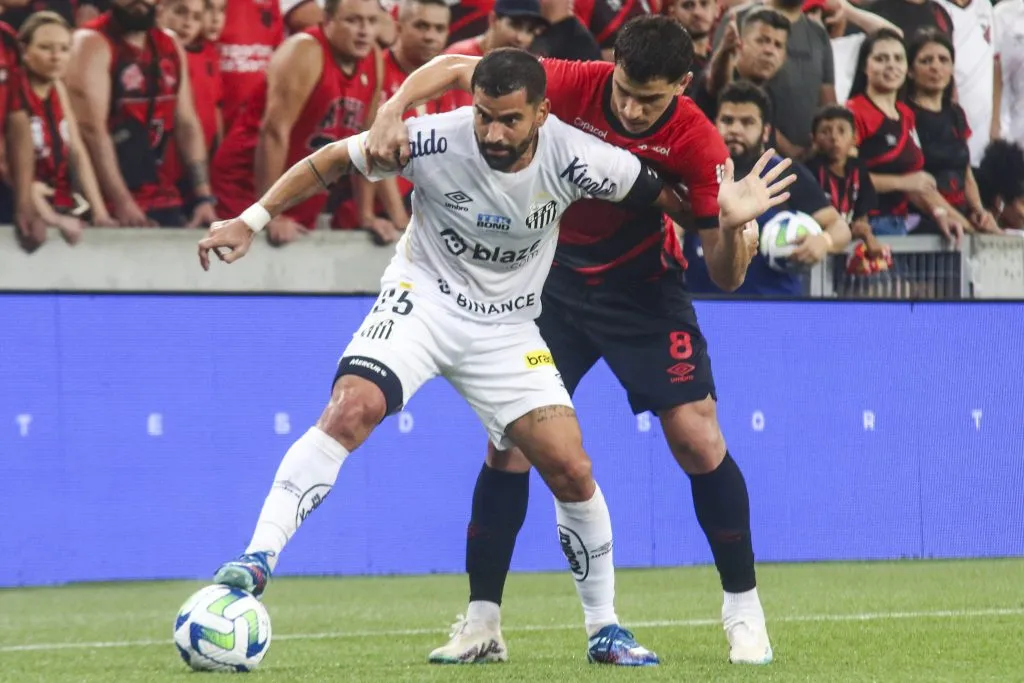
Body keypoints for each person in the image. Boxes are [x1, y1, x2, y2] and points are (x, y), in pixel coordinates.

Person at [197, 47, 793, 668]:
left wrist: (725, 218)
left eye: (508, 120)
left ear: (541, 114)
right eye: (483, 116)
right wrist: (251, 218)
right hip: (421, 301)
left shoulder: (583, 157)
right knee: (353, 408)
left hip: (509, 328)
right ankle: (257, 558)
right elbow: (329, 162)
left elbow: (670, 202)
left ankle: (605, 629)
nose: (492, 132)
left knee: (571, 468)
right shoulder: (430, 140)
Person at [362, 15, 789, 666]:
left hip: (643, 290)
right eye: (625, 88)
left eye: (651, 99)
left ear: (682, 84)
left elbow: (726, 277)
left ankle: (743, 610)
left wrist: (734, 227)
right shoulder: (567, 82)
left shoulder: (699, 145)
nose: (630, 106)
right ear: (612, 63)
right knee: (508, 443)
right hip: (551, 285)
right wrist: (394, 108)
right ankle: (482, 625)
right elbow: (455, 67)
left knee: (698, 438)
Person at [210, 0, 402, 246]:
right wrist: (265, 214)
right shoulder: (305, 50)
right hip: (246, 189)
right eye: (353, 21)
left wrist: (365, 215)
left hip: (299, 191)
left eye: (371, 21)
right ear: (328, 21)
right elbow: (273, 134)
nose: (364, 30)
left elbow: (366, 141)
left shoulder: (373, 57)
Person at [684, 81, 850, 296]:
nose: (735, 129)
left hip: (774, 311)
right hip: (704, 309)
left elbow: (840, 227)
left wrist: (823, 241)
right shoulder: (694, 172)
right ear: (715, 125)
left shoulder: (785, 172)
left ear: (765, 131)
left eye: (747, 122)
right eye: (727, 120)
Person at [65, 0, 218, 227]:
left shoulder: (169, 44)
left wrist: (203, 197)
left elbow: (186, 123)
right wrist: (122, 201)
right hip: (103, 203)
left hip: (161, 195)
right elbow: (91, 131)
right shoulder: (90, 42)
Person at [845, 28, 965, 242]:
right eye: (881, 59)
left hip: (903, 224)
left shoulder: (906, 114)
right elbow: (845, 177)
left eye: (898, 59)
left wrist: (940, 214)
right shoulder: (854, 112)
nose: (891, 65)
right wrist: (903, 182)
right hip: (867, 229)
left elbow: (916, 184)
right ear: (865, 66)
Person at [17, 10, 115, 243]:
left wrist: (100, 212)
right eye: (45, 48)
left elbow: (77, 151)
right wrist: (51, 217)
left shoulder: (57, 89)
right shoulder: (11, 92)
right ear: (24, 51)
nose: (56, 56)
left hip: (54, 200)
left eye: (64, 48)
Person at [905, 28, 998, 235]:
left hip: (961, 217)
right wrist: (968, 228)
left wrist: (979, 212)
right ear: (910, 71)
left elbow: (966, 172)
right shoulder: (903, 114)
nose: (936, 67)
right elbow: (919, 186)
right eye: (926, 61)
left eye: (943, 60)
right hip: (924, 221)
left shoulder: (956, 113)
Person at [805, 105, 883, 259]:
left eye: (841, 131)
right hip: (819, 246)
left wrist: (865, 233)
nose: (834, 137)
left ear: (855, 138)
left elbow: (862, 215)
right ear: (813, 139)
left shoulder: (859, 169)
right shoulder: (809, 170)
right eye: (825, 132)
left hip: (849, 248)